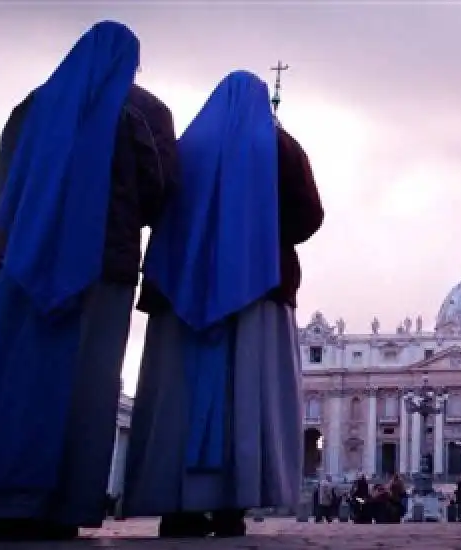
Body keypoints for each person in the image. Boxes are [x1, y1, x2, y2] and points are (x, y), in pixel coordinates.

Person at [0, 20, 178, 543]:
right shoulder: (143, 111)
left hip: (17, 257)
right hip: (99, 263)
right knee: (82, 381)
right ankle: (51, 506)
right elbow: (161, 190)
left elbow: (5, 180)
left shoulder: (33, 105)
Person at [123, 70, 324, 538]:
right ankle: (234, 500)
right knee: (245, 392)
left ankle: (177, 504)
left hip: (182, 287)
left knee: (179, 394)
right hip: (257, 286)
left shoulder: (186, 146)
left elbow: (156, 202)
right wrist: (256, 236)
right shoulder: (279, 146)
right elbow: (309, 215)